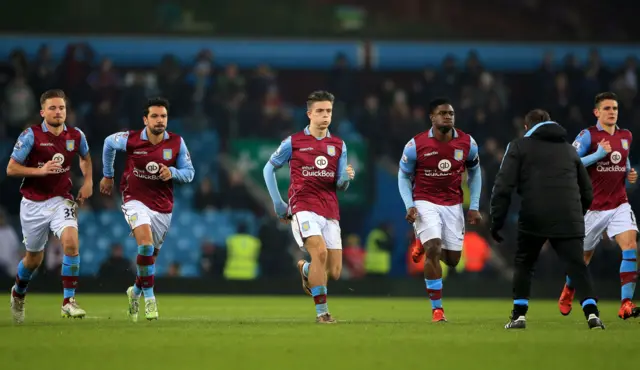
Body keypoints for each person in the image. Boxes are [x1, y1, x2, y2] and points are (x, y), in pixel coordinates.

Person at [490, 109, 604, 330]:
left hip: (534, 215)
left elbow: (503, 186)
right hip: (568, 216)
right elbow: (588, 190)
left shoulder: (518, 146)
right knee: (577, 267)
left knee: (525, 263)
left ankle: (519, 316)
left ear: (526, 127)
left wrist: (497, 221)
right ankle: (592, 316)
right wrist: (576, 215)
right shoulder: (569, 150)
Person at [262, 90, 355, 324]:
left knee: (333, 271)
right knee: (319, 252)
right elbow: (268, 169)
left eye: (329, 111)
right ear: (309, 114)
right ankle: (322, 313)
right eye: (320, 111)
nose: (325, 116)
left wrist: (346, 177)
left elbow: (340, 184)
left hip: (330, 210)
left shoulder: (339, 145)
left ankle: (305, 270)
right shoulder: (293, 142)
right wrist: (278, 202)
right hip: (303, 206)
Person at [100, 97, 195, 322]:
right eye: (154, 116)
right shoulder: (131, 139)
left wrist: (173, 173)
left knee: (150, 257)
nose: (160, 120)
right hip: (134, 198)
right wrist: (107, 175)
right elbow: (108, 143)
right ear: (145, 119)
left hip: (162, 206)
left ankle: (135, 291)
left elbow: (189, 173)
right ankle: (150, 300)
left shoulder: (177, 143)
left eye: (163, 116)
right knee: (145, 244)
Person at [7, 89, 93, 323]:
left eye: (61, 108)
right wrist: (40, 170)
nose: (58, 112)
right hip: (33, 204)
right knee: (34, 259)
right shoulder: (31, 135)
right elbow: (11, 168)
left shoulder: (76, 136)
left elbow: (85, 158)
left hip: (60, 199)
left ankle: (68, 302)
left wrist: (88, 182)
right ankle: (18, 293)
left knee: (71, 243)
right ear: (43, 112)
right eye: (53, 108)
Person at [397, 97, 482, 322]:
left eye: (451, 113)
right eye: (443, 113)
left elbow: (475, 172)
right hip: (425, 200)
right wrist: (410, 204)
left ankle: (423, 245)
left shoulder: (467, 143)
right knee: (434, 248)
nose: (448, 117)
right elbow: (403, 175)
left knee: (453, 260)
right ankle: (438, 309)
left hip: (453, 203)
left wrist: (473, 206)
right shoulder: (416, 145)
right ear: (432, 118)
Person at [559, 92, 639, 320]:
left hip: (619, 203)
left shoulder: (626, 135)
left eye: (614, 108)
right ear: (597, 112)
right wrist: (598, 154)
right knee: (582, 259)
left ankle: (625, 303)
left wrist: (629, 172)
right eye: (607, 108)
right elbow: (571, 162)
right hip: (592, 208)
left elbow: (624, 159)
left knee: (631, 245)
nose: (611, 112)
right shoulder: (587, 136)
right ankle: (568, 290)